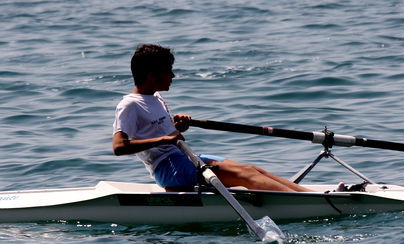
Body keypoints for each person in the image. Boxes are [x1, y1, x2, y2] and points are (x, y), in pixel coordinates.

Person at [112, 44, 314, 192]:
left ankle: (314, 196)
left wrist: (177, 128)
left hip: (184, 157)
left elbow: (162, 132)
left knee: (253, 169)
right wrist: (165, 139)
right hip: (167, 167)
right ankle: (312, 203)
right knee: (245, 176)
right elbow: (119, 147)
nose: (173, 76)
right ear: (152, 75)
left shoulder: (156, 97)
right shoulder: (129, 105)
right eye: (168, 71)